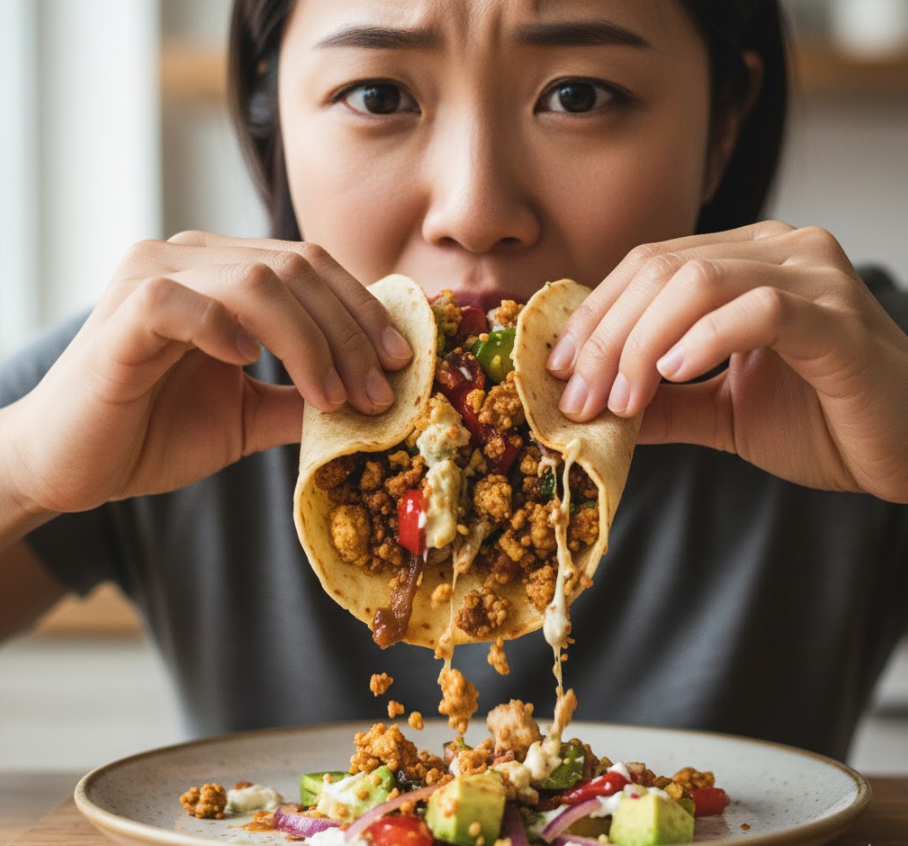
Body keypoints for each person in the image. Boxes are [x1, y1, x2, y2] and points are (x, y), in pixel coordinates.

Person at [1, 0, 906, 762]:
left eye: (579, 96)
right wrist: (25, 470)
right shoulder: (163, 368)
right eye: (377, 94)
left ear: (724, 124)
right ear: (271, 107)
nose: (474, 211)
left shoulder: (844, 370)